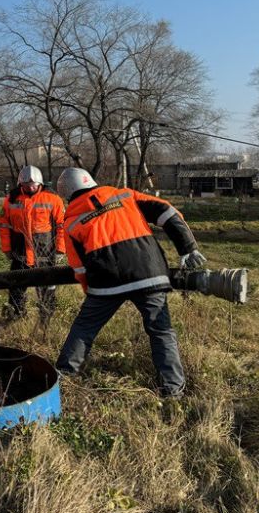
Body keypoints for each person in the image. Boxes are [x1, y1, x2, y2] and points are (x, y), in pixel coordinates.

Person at [54, 167, 207, 398]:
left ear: (67, 194)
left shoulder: (72, 221)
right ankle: (173, 390)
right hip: (149, 274)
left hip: (105, 283)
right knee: (161, 331)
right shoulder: (124, 195)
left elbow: (79, 268)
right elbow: (167, 212)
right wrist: (187, 248)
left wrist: (92, 293)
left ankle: (64, 376)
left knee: (85, 328)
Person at [0, 166, 66, 324]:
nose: (31, 188)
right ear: (20, 183)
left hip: (44, 251)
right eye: (27, 185)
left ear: (40, 183)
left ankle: (46, 321)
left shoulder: (52, 198)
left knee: (47, 288)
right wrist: (7, 248)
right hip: (20, 251)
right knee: (15, 287)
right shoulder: (11, 199)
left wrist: (61, 249)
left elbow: (62, 225)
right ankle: (15, 317)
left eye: (34, 185)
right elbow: (4, 225)